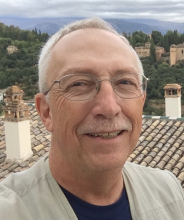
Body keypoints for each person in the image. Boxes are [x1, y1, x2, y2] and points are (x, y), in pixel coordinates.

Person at [0, 17, 184, 220]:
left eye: (125, 81)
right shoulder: (10, 211)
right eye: (79, 84)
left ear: (142, 101)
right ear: (46, 111)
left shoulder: (169, 193)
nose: (109, 107)